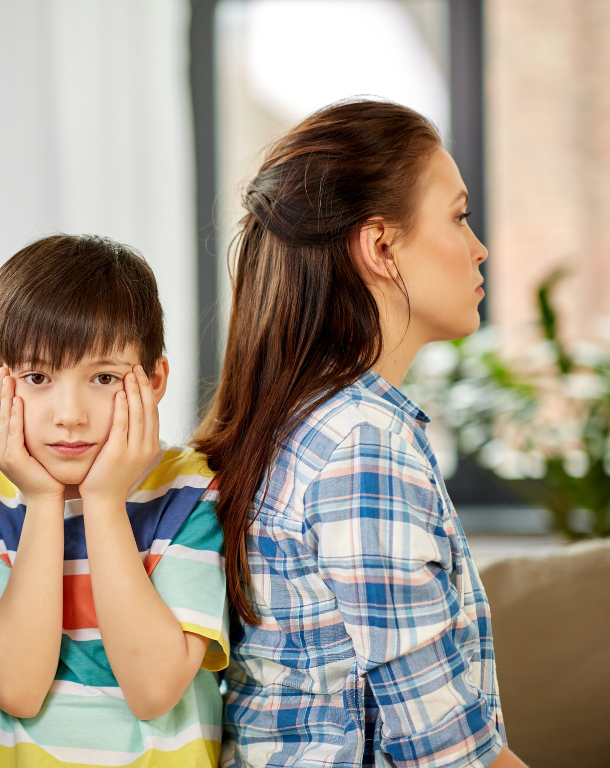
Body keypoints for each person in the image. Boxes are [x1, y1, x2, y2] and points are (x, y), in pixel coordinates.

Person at [195, 99, 526, 768]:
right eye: (457, 217)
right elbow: (447, 754)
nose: (477, 246)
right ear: (379, 247)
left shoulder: (305, 424)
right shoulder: (362, 446)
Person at [0, 235, 229, 766]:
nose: (69, 413)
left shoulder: (188, 491)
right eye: (38, 377)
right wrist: (44, 501)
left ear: (156, 379)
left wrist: (103, 501)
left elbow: (154, 690)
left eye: (103, 378)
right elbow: (17, 689)